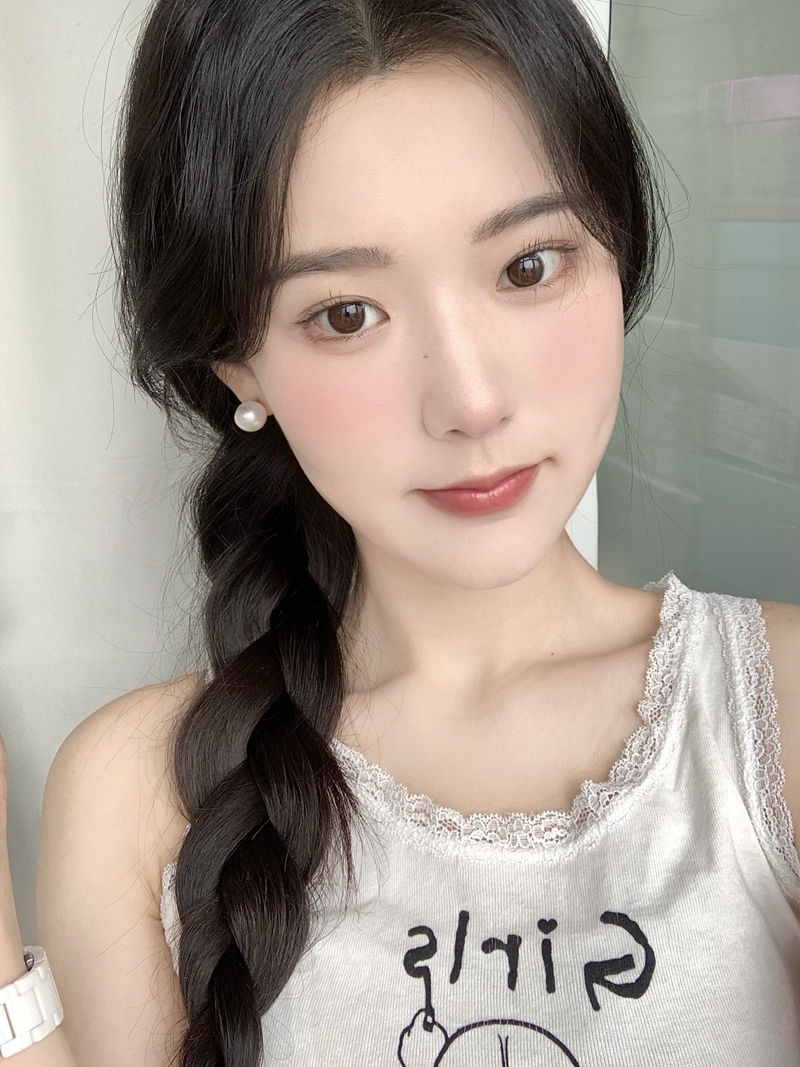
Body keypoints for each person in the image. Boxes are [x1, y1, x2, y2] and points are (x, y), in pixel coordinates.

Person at [0, 0, 797, 1064]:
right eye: (345, 314)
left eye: (528, 266)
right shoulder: (138, 793)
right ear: (236, 362)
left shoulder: (774, 717)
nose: (470, 401)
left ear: (616, 249)